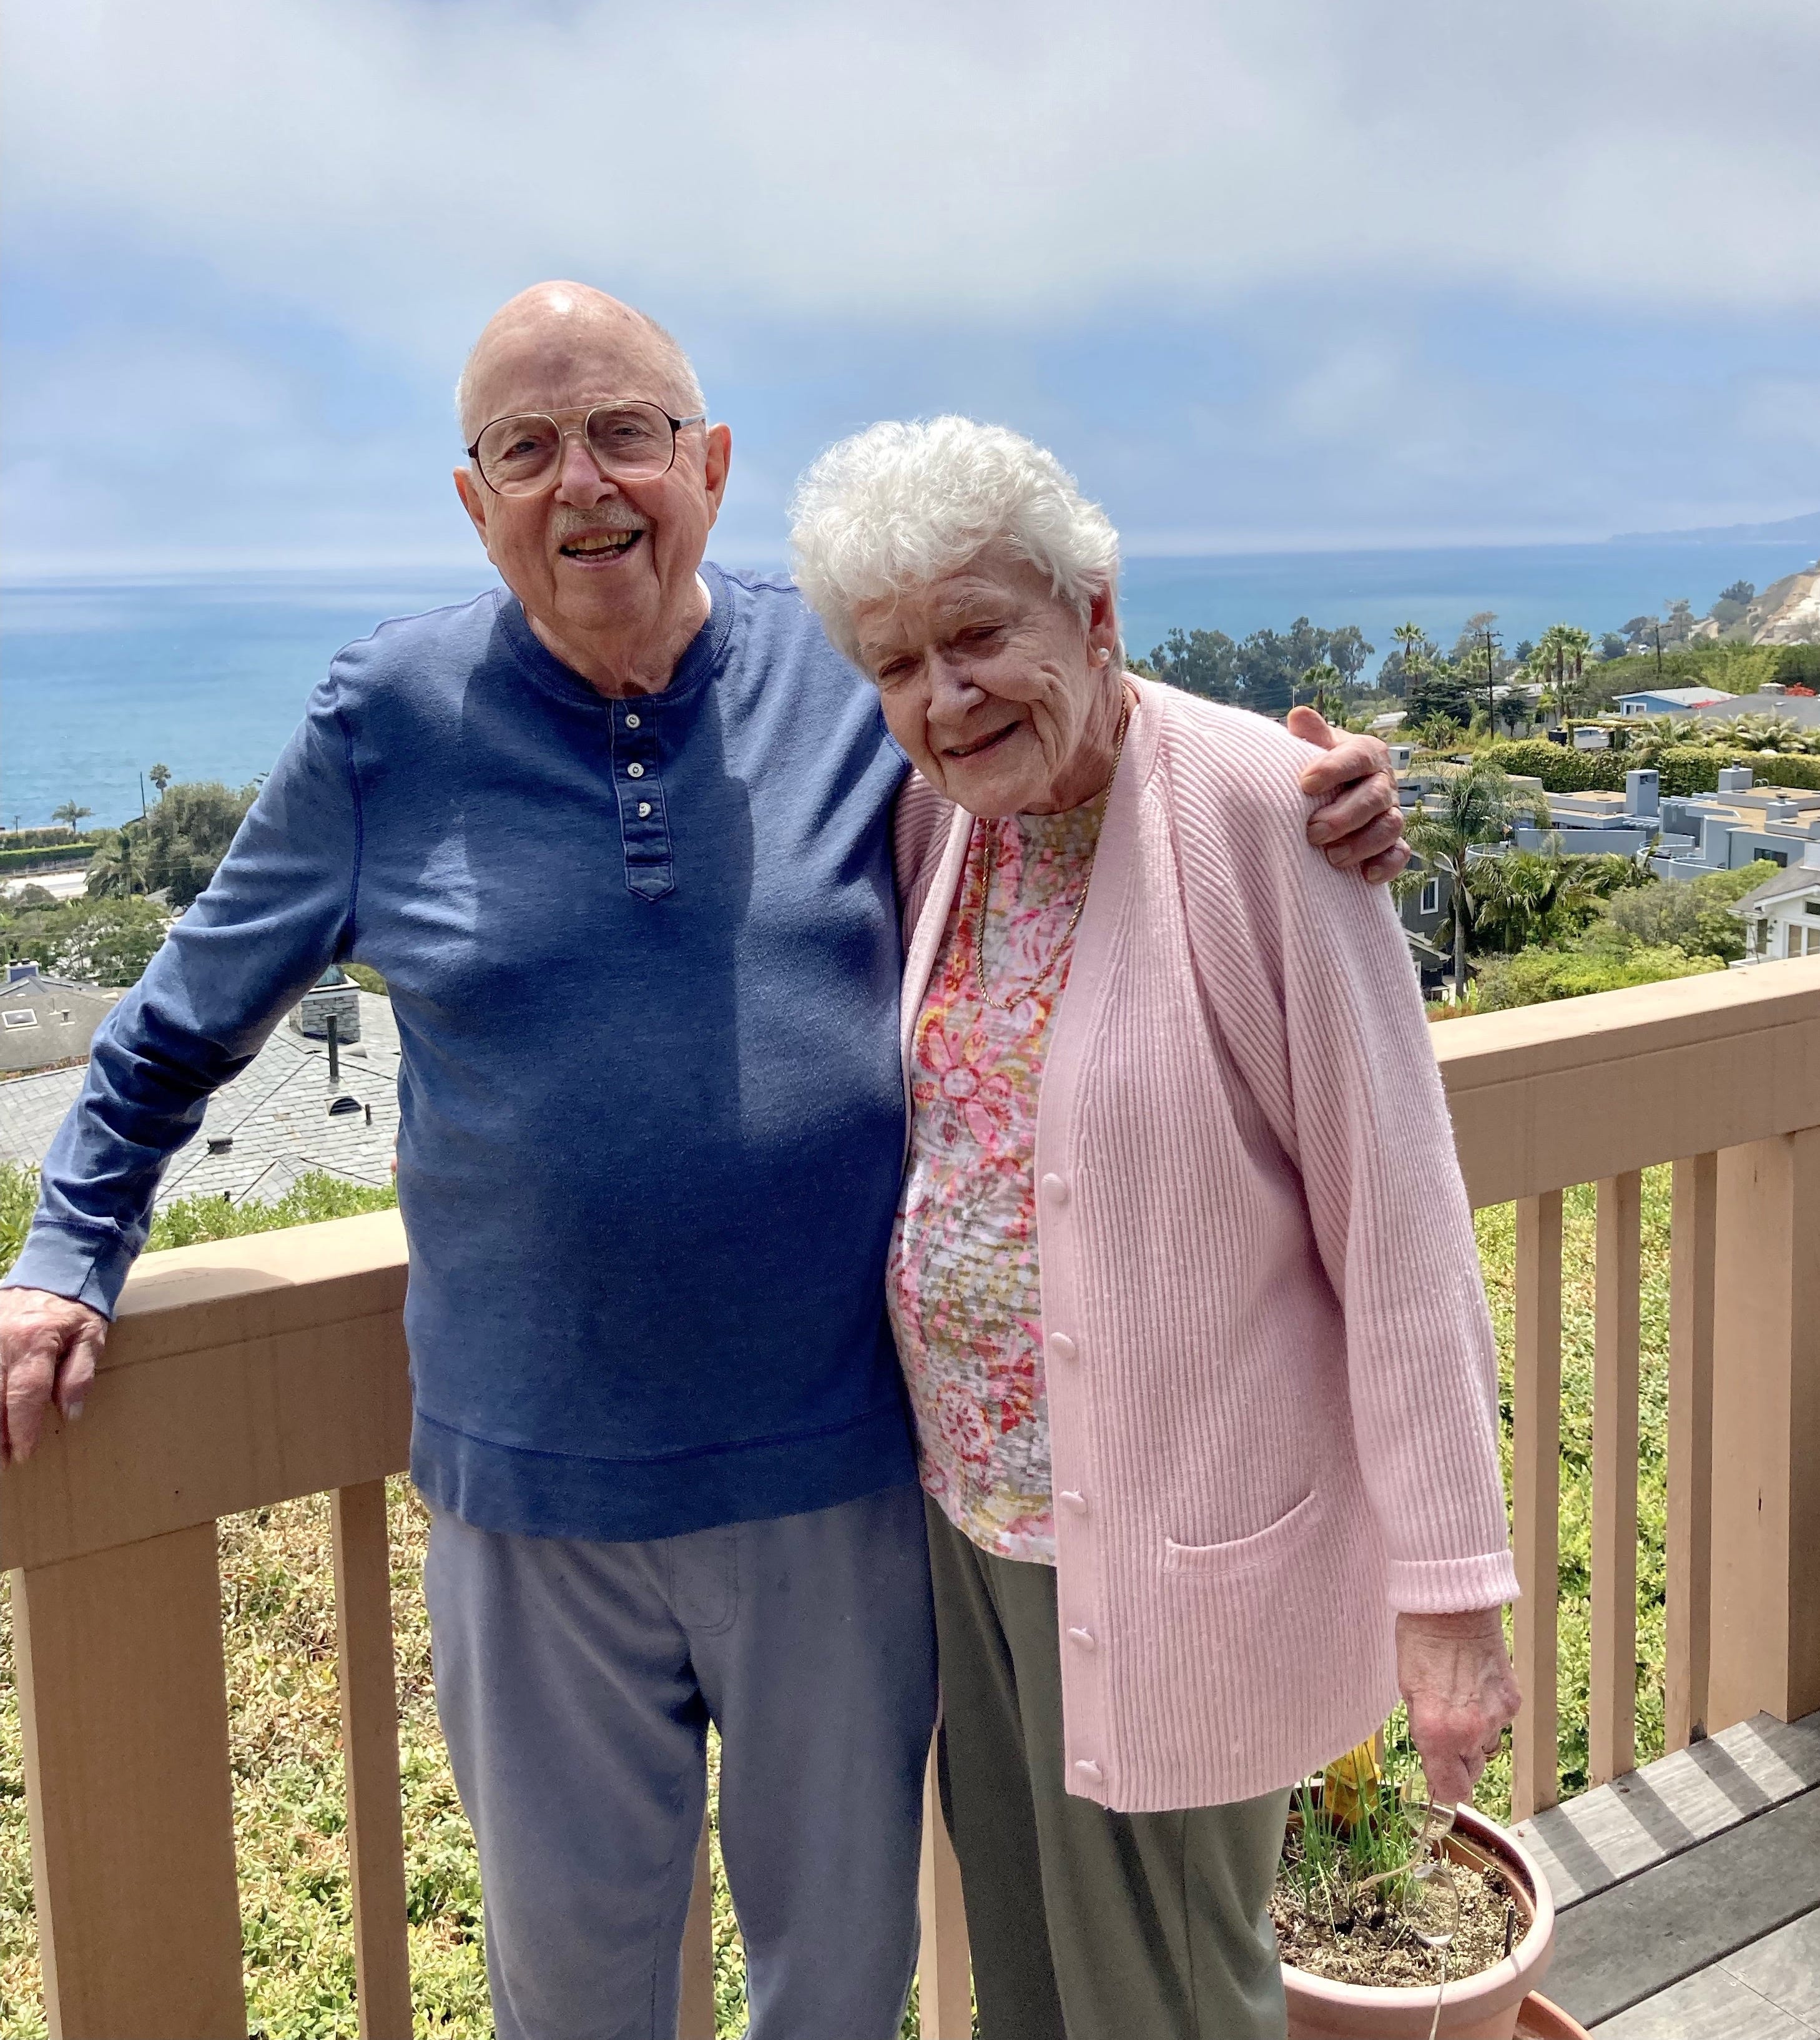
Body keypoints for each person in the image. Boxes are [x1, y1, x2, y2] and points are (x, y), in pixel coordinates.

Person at [0, 287, 1410, 2040]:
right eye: (527, 448)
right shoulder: (386, 720)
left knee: (839, 1987)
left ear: (711, 465)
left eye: (626, 433)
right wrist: (66, 1252)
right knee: (574, 1998)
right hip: (535, 1502)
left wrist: (1301, 786)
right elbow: (174, 1023)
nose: (583, 483)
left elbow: (1058, 720)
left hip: (837, 1482)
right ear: (475, 503)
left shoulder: (842, 670)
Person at [789, 415, 1520, 2040]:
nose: (945, 695)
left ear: (1096, 611)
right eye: (897, 664)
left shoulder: (1267, 813)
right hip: (968, 1523)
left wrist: (1449, 1595)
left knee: (1166, 2001)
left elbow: (1399, 1230)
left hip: (1170, 1553)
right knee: (1030, 1982)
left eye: (981, 634)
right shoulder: (937, 822)